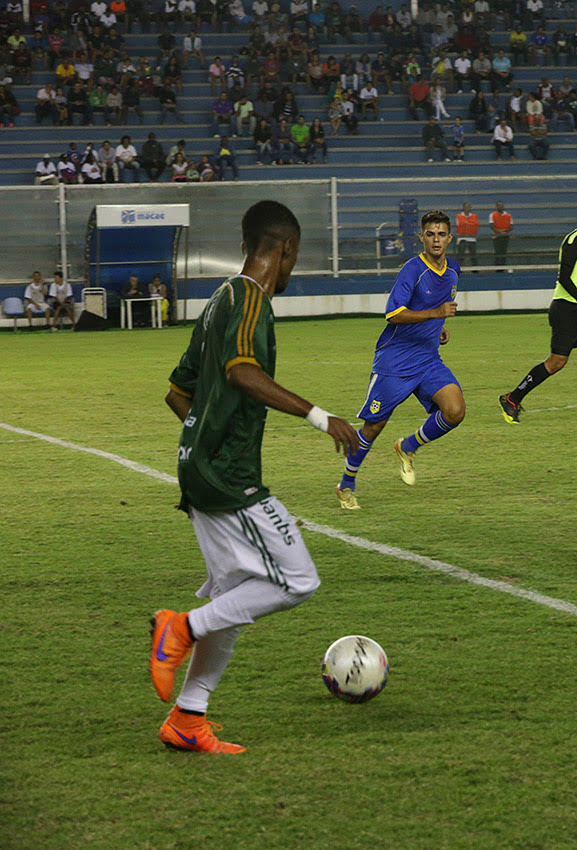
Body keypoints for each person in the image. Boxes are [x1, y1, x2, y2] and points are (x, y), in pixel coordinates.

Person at [150, 200, 358, 753]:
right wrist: (321, 417)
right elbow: (242, 371)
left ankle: (187, 719)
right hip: (227, 477)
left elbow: (179, 391)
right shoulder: (248, 299)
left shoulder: (220, 299)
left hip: (201, 466)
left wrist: (206, 433)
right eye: (294, 257)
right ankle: (180, 628)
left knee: (233, 598)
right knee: (297, 580)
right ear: (284, 250)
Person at [337, 210, 464, 509]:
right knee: (373, 427)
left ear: (450, 238)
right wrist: (435, 315)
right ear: (421, 237)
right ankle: (347, 483)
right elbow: (393, 313)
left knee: (455, 410)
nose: (436, 239)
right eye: (430, 234)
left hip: (428, 359)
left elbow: (433, 306)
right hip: (395, 361)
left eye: (441, 234)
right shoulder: (412, 270)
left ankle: (408, 446)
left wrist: (438, 329)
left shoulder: (454, 271)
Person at [498, 201, 577, 425]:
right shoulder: (574, 241)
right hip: (566, 309)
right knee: (556, 363)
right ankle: (512, 398)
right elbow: (564, 278)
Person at [454, 201, 479, 265]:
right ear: (463, 208)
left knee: (473, 256)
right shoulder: (459, 216)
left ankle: (475, 270)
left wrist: (466, 223)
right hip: (462, 238)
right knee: (460, 256)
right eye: (466, 207)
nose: (467, 208)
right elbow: (461, 225)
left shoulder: (474, 216)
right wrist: (469, 223)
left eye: (469, 207)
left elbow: (475, 225)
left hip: (472, 238)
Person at [489, 200, 512, 267]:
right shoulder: (492, 215)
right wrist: (499, 232)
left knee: (504, 252)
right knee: (497, 252)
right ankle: (497, 268)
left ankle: (503, 267)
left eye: (501, 205)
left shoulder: (508, 215)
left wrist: (505, 231)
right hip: (496, 237)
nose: (500, 207)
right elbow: (492, 226)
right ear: (496, 206)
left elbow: (511, 226)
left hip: (505, 236)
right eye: (499, 205)